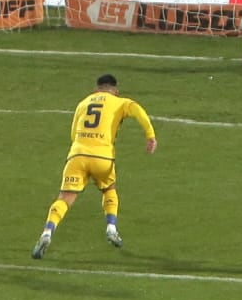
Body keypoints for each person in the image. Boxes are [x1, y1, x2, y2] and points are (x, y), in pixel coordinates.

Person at [31, 74, 157, 260]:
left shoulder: (83, 103)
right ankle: (111, 228)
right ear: (115, 90)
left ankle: (47, 233)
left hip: (77, 155)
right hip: (102, 156)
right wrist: (150, 135)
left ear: (96, 88)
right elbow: (137, 110)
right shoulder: (120, 102)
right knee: (109, 189)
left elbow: (74, 133)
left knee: (65, 198)